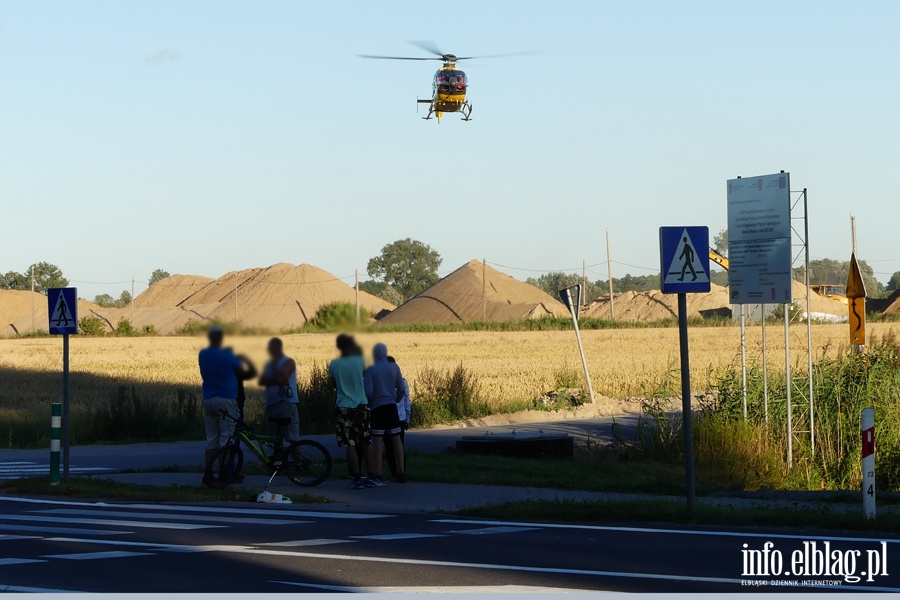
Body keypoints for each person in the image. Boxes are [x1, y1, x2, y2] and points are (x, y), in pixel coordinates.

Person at [328, 334, 376, 490]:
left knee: (350, 442)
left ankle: (356, 476)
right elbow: (363, 374)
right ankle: (372, 475)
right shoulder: (360, 361)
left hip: (344, 405)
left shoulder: (334, 364)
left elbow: (334, 384)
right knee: (366, 441)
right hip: (361, 404)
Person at [198, 326, 242, 485]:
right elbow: (240, 369)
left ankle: (208, 474)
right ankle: (224, 474)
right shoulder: (228, 354)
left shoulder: (202, 354)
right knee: (226, 439)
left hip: (208, 398)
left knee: (211, 440)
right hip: (226, 399)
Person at [363, 343, 406, 484]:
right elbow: (401, 388)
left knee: (378, 440)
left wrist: (371, 402)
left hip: (377, 408)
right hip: (391, 407)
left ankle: (378, 474)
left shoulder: (371, 370)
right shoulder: (394, 367)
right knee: (397, 440)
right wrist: (396, 399)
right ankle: (401, 472)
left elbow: (368, 392)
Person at [257, 337, 300, 444]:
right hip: (271, 404)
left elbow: (281, 378)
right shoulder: (268, 364)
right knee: (274, 439)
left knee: (292, 438)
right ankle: (279, 459)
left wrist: (274, 367)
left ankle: (299, 460)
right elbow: (262, 381)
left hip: (286, 403)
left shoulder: (289, 362)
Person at [384, 355, 410, 479]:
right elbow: (406, 401)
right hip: (400, 417)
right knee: (399, 445)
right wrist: (407, 417)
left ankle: (394, 471)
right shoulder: (403, 382)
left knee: (389, 447)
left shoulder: (383, 383)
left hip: (389, 416)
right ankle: (401, 471)